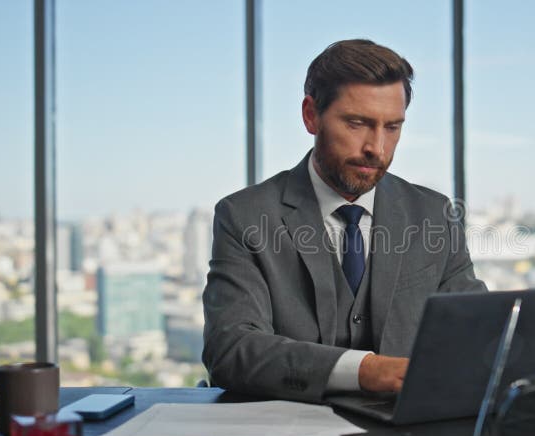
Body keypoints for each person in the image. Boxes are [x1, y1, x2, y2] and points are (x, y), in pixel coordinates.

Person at [202, 39, 486, 402]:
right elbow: (231, 350)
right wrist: (364, 371)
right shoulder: (244, 216)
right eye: (357, 124)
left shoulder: (434, 214)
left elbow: (476, 331)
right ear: (310, 115)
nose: (377, 148)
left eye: (392, 127)